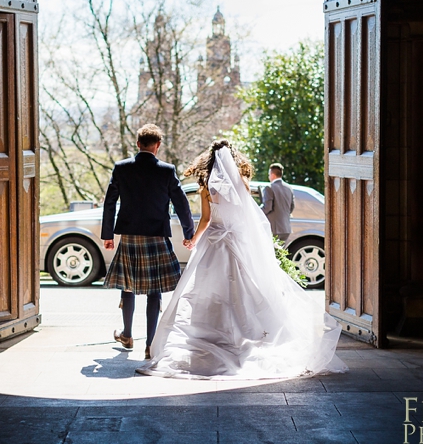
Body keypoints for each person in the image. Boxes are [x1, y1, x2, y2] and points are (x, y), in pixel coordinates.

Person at [137, 140, 347, 380]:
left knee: (208, 290)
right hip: (237, 241)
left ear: (209, 161)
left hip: (214, 242)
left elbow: (206, 219)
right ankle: (245, 334)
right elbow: (247, 217)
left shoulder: (206, 186)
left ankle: (210, 335)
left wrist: (194, 239)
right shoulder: (242, 184)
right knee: (243, 289)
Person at [101, 124, 195, 360]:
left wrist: (108, 235)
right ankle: (150, 345)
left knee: (128, 284)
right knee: (154, 290)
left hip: (130, 236)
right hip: (156, 235)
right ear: (158, 145)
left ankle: (127, 335)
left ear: (138, 144)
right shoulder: (166, 170)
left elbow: (110, 202)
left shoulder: (121, 168)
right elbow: (182, 203)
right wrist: (188, 233)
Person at [261, 162, 295, 242]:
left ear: (272, 175)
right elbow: (292, 206)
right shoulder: (289, 188)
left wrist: (257, 211)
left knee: (271, 253)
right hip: (286, 229)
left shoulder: (269, 188)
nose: (269, 176)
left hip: (274, 228)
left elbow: (267, 208)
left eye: (269, 174)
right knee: (281, 253)